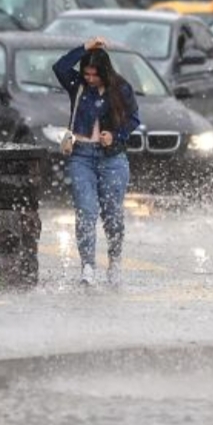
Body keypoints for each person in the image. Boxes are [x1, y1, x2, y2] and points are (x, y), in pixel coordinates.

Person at [52, 37, 140, 287]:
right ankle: (87, 265)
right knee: (86, 212)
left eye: (94, 74)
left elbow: (134, 119)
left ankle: (114, 261)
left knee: (112, 215)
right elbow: (59, 67)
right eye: (86, 73)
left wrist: (116, 135)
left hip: (112, 158)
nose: (89, 78)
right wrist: (85, 48)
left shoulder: (121, 89)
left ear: (104, 72)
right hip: (81, 156)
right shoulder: (77, 86)